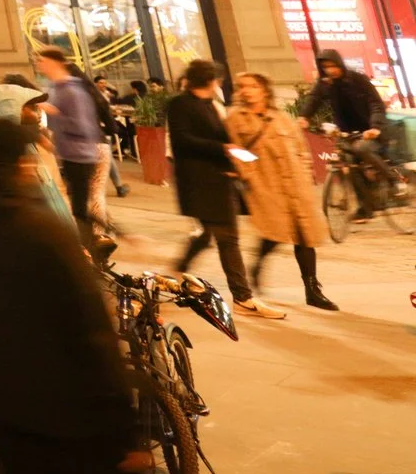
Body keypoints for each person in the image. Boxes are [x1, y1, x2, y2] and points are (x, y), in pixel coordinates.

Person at [0, 118, 149, 474]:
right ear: (24, 164)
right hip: (63, 414)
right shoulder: (43, 230)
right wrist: (124, 426)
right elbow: (92, 330)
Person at [167, 58, 281, 320]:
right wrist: (224, 149)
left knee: (210, 235)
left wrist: (233, 155)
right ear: (212, 81)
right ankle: (243, 297)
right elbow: (183, 140)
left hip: (218, 180)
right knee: (228, 240)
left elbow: (219, 138)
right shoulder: (180, 104)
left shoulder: (210, 105)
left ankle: (180, 267)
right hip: (201, 182)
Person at [226, 71, 336, 312]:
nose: (247, 90)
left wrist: (306, 174)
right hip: (267, 184)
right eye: (242, 86)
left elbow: (301, 149)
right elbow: (233, 149)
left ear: (264, 89)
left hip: (296, 184)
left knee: (304, 234)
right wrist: (251, 172)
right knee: (275, 232)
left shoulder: (282, 117)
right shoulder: (236, 118)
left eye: (252, 86)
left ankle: (313, 290)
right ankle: (258, 264)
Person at [36, 47, 108, 245]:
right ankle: (91, 244)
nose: (39, 65)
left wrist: (54, 112)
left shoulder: (72, 91)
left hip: (80, 156)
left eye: (42, 61)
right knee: (77, 206)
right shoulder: (55, 88)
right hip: (69, 154)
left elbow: (84, 127)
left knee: (79, 207)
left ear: (54, 63)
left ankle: (91, 246)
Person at [305, 49, 390, 214]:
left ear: (339, 64)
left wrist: (375, 127)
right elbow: (313, 99)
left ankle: (392, 180)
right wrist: (304, 117)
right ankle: (365, 207)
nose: (330, 70)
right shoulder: (326, 84)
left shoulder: (358, 80)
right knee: (349, 163)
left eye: (332, 65)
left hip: (371, 130)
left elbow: (375, 104)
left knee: (361, 149)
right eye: (326, 67)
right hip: (348, 132)